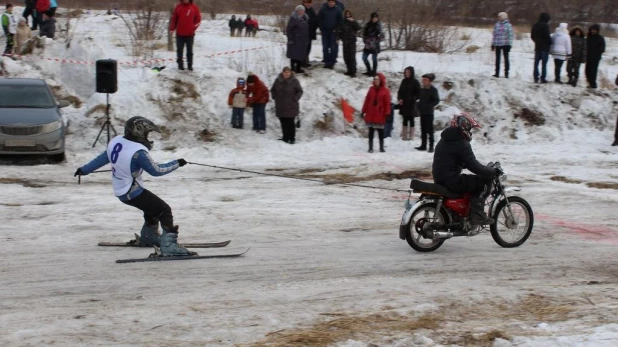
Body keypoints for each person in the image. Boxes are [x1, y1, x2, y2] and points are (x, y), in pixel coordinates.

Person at [74, 116, 194, 256]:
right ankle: (169, 246)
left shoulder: (117, 141)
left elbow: (102, 158)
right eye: (147, 133)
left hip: (122, 191)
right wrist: (177, 163)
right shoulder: (138, 153)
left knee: (151, 207)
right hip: (131, 191)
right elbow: (156, 171)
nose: (148, 137)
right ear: (139, 132)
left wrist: (84, 170)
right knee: (164, 210)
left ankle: (149, 236)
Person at [432, 113, 502, 226]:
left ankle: (463, 213)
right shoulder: (461, 143)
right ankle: (477, 215)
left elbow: (454, 160)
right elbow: (474, 167)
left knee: (471, 181)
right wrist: (492, 172)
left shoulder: (444, 140)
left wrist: (468, 164)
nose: (470, 132)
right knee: (483, 182)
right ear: (464, 127)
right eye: (469, 129)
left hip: (440, 179)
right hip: (452, 181)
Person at [271, 67, 303, 144]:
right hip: (280, 105)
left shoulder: (295, 81)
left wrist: (295, 98)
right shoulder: (277, 80)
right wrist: (274, 97)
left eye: (288, 72)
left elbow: (300, 91)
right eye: (285, 72)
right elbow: (273, 90)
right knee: (283, 122)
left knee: (290, 122)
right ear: (282, 73)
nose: (286, 74)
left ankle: (292, 138)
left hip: (291, 105)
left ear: (290, 73)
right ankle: (285, 137)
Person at [361, 73, 391, 153]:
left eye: (377, 79)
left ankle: (381, 147)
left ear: (381, 80)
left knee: (380, 131)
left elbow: (387, 103)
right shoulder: (371, 89)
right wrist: (363, 110)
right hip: (371, 113)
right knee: (371, 131)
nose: (375, 81)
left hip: (380, 114)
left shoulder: (385, 91)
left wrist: (387, 113)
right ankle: (370, 147)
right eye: (374, 79)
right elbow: (367, 100)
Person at [169, 0, 201, 71]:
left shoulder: (194, 8)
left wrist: (192, 28)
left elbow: (198, 20)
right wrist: (172, 29)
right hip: (180, 34)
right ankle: (180, 65)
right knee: (179, 50)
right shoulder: (178, 7)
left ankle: (190, 65)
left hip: (190, 34)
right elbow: (174, 19)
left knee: (189, 51)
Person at [416, 73, 440, 153]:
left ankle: (431, 146)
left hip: (429, 113)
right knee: (423, 130)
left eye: (425, 80)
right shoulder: (422, 89)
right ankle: (423, 145)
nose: (423, 81)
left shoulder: (433, 90)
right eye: (423, 80)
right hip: (422, 112)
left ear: (429, 81)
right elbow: (419, 99)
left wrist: (429, 105)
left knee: (430, 130)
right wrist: (418, 105)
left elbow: (436, 100)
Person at [397, 66, 421, 141]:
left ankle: (411, 136)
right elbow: (400, 91)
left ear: (411, 73)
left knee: (411, 119)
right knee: (404, 119)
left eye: (408, 72)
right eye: (405, 72)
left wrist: (414, 98)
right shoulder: (403, 81)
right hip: (404, 104)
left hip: (412, 104)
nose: (406, 74)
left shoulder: (415, 82)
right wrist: (400, 98)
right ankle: (404, 136)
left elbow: (419, 93)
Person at [318, 0, 343, 69]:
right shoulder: (323, 9)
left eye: (332, 2)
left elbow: (340, 20)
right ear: (327, 2)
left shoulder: (338, 9)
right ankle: (326, 62)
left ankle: (332, 62)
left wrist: (337, 28)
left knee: (333, 47)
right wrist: (321, 28)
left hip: (334, 32)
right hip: (325, 31)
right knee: (325, 47)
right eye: (330, 2)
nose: (331, 3)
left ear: (334, 3)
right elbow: (319, 19)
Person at [287, 5, 309, 74]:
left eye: (302, 10)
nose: (301, 12)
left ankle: (298, 68)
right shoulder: (293, 18)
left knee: (300, 55)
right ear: (297, 11)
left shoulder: (305, 18)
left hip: (302, 40)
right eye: (300, 10)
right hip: (295, 39)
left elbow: (306, 29)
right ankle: (293, 68)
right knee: (293, 54)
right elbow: (289, 29)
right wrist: (290, 39)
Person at [491, 12, 513, 78]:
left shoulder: (508, 25)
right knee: (497, 59)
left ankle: (506, 73)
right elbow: (494, 34)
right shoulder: (496, 25)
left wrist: (510, 44)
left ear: (503, 17)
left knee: (506, 59)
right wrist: (493, 44)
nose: (498, 18)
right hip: (498, 44)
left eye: (500, 16)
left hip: (505, 44)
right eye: (498, 16)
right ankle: (496, 73)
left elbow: (510, 35)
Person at [531, 13, 551, 83]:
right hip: (544, 48)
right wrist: (549, 42)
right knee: (544, 64)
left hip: (537, 47)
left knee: (536, 63)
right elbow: (547, 36)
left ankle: (536, 77)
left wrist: (537, 41)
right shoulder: (545, 26)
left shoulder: (535, 25)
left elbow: (532, 36)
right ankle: (543, 78)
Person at [362, 12, 383, 77]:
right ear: (371, 18)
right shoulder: (368, 24)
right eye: (374, 18)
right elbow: (364, 34)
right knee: (364, 58)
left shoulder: (379, 26)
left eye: (376, 18)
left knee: (374, 59)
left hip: (375, 45)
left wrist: (376, 41)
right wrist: (365, 40)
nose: (375, 19)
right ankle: (369, 70)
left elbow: (382, 36)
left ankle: (373, 72)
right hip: (368, 44)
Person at [341, 10, 360, 77]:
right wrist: (338, 38)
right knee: (346, 56)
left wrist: (353, 21)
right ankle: (349, 70)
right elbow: (340, 30)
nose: (348, 15)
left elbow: (358, 28)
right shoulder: (343, 22)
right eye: (346, 14)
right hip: (345, 41)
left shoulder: (353, 21)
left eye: (349, 14)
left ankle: (353, 71)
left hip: (352, 41)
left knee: (352, 57)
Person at [585, 24, 605, 89]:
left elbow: (602, 48)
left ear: (597, 31)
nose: (593, 31)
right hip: (588, 57)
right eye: (592, 30)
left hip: (595, 58)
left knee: (593, 71)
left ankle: (593, 84)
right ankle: (590, 82)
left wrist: (596, 52)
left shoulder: (600, 38)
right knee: (587, 71)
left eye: (594, 30)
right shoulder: (589, 37)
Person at [302, 0, 318, 67]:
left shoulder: (312, 10)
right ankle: (302, 62)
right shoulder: (301, 10)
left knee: (308, 47)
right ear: (304, 3)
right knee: (303, 48)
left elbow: (316, 20)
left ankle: (306, 61)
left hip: (310, 32)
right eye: (307, 3)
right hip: (303, 33)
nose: (308, 4)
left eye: (309, 3)